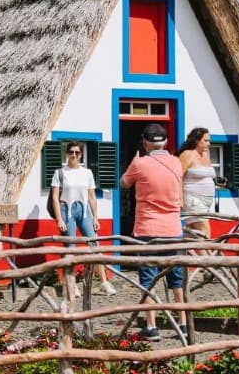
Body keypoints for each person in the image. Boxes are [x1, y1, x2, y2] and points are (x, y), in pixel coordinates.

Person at [120, 122, 185, 340]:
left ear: (145, 143)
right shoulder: (176, 163)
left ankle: (152, 326)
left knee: (148, 279)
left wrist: (134, 160)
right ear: (165, 142)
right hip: (174, 229)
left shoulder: (140, 164)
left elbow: (123, 184)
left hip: (148, 228)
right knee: (177, 279)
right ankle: (183, 324)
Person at [51, 142, 116, 295]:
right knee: (70, 248)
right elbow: (55, 198)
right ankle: (71, 284)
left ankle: (104, 282)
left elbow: (92, 197)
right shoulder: (60, 172)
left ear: (81, 155)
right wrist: (59, 219)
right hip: (66, 210)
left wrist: (96, 218)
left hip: (84, 210)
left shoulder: (87, 173)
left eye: (77, 153)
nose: (74, 155)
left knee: (95, 244)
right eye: (71, 152)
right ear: (66, 154)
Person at [177, 128, 215, 239]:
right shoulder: (187, 154)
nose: (209, 144)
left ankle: (186, 255)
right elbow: (179, 177)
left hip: (206, 201)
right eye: (206, 140)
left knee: (192, 234)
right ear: (196, 141)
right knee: (204, 231)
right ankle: (209, 256)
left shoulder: (205, 156)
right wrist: (180, 199)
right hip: (193, 199)